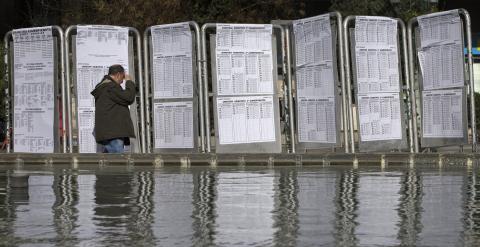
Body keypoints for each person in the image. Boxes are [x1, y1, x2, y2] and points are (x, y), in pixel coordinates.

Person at [91, 64, 136, 153]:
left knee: (108, 163)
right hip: (113, 134)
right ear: (118, 75)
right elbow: (129, 98)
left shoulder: (105, 86)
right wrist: (129, 82)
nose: (122, 81)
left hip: (109, 133)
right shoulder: (110, 87)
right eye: (122, 78)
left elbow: (123, 98)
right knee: (118, 163)